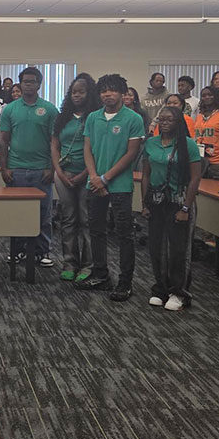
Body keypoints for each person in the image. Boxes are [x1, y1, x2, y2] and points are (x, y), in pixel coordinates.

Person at [76, 73, 144, 302]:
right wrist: (95, 177)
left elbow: (131, 153)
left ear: (123, 93)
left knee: (124, 234)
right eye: (104, 90)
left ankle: (125, 282)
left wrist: (105, 178)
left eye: (112, 90)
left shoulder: (133, 119)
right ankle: (101, 274)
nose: (107, 94)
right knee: (96, 230)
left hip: (120, 185)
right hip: (94, 183)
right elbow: (87, 149)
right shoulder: (94, 117)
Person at [140, 106, 202, 312]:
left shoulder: (188, 145)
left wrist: (185, 208)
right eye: (162, 119)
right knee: (157, 248)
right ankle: (160, 289)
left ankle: (179, 292)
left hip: (179, 202)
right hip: (157, 201)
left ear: (178, 123)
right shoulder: (151, 143)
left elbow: (195, 178)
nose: (165, 122)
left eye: (170, 120)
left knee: (178, 250)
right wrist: (144, 203)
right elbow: (146, 175)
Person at [0, 66, 58, 267]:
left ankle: (42, 251)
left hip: (42, 170)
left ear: (39, 84)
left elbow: (54, 142)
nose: (29, 85)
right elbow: (3, 140)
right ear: (20, 84)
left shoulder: (50, 109)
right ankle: (17, 251)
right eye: (25, 81)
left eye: (33, 81)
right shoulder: (10, 109)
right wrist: (4, 168)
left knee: (43, 214)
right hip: (16, 170)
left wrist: (52, 168)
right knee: (15, 213)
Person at [51, 74, 99, 283]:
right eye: (73, 92)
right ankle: (69, 263)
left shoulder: (95, 117)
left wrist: (84, 174)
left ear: (90, 93)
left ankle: (89, 265)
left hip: (88, 175)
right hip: (64, 174)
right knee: (68, 219)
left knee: (87, 220)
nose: (77, 95)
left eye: (81, 91)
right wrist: (59, 172)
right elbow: (54, 146)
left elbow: (97, 150)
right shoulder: (62, 118)